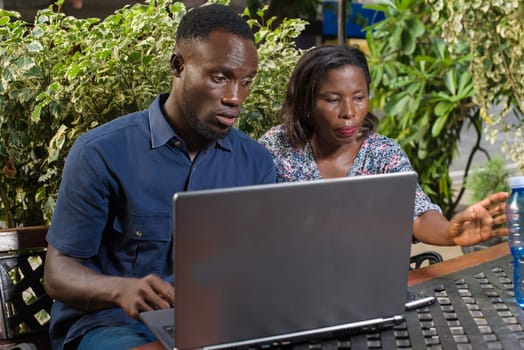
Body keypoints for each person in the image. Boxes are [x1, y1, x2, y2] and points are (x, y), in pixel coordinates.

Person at [43, 4, 275, 350]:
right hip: (112, 326)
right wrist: (121, 289)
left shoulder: (256, 163)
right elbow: (57, 273)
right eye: (220, 77)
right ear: (178, 65)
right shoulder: (102, 152)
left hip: (213, 328)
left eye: (246, 82)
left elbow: (260, 267)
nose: (234, 98)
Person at [259, 45, 508, 247]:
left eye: (359, 98)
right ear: (306, 102)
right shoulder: (277, 147)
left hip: (366, 285)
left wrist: (450, 233)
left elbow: (417, 213)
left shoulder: (382, 153)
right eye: (333, 99)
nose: (349, 112)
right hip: (289, 285)